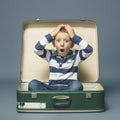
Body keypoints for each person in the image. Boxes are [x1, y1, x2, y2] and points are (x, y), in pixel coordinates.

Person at [28, 24, 93, 91]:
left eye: (66, 41)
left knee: (77, 85)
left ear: (72, 44)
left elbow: (89, 50)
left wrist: (74, 36)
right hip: (51, 89)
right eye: (58, 41)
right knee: (33, 84)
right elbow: (37, 49)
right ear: (53, 44)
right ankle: (57, 97)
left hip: (69, 88)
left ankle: (54, 98)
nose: (62, 44)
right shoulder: (50, 55)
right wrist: (51, 34)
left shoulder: (76, 56)